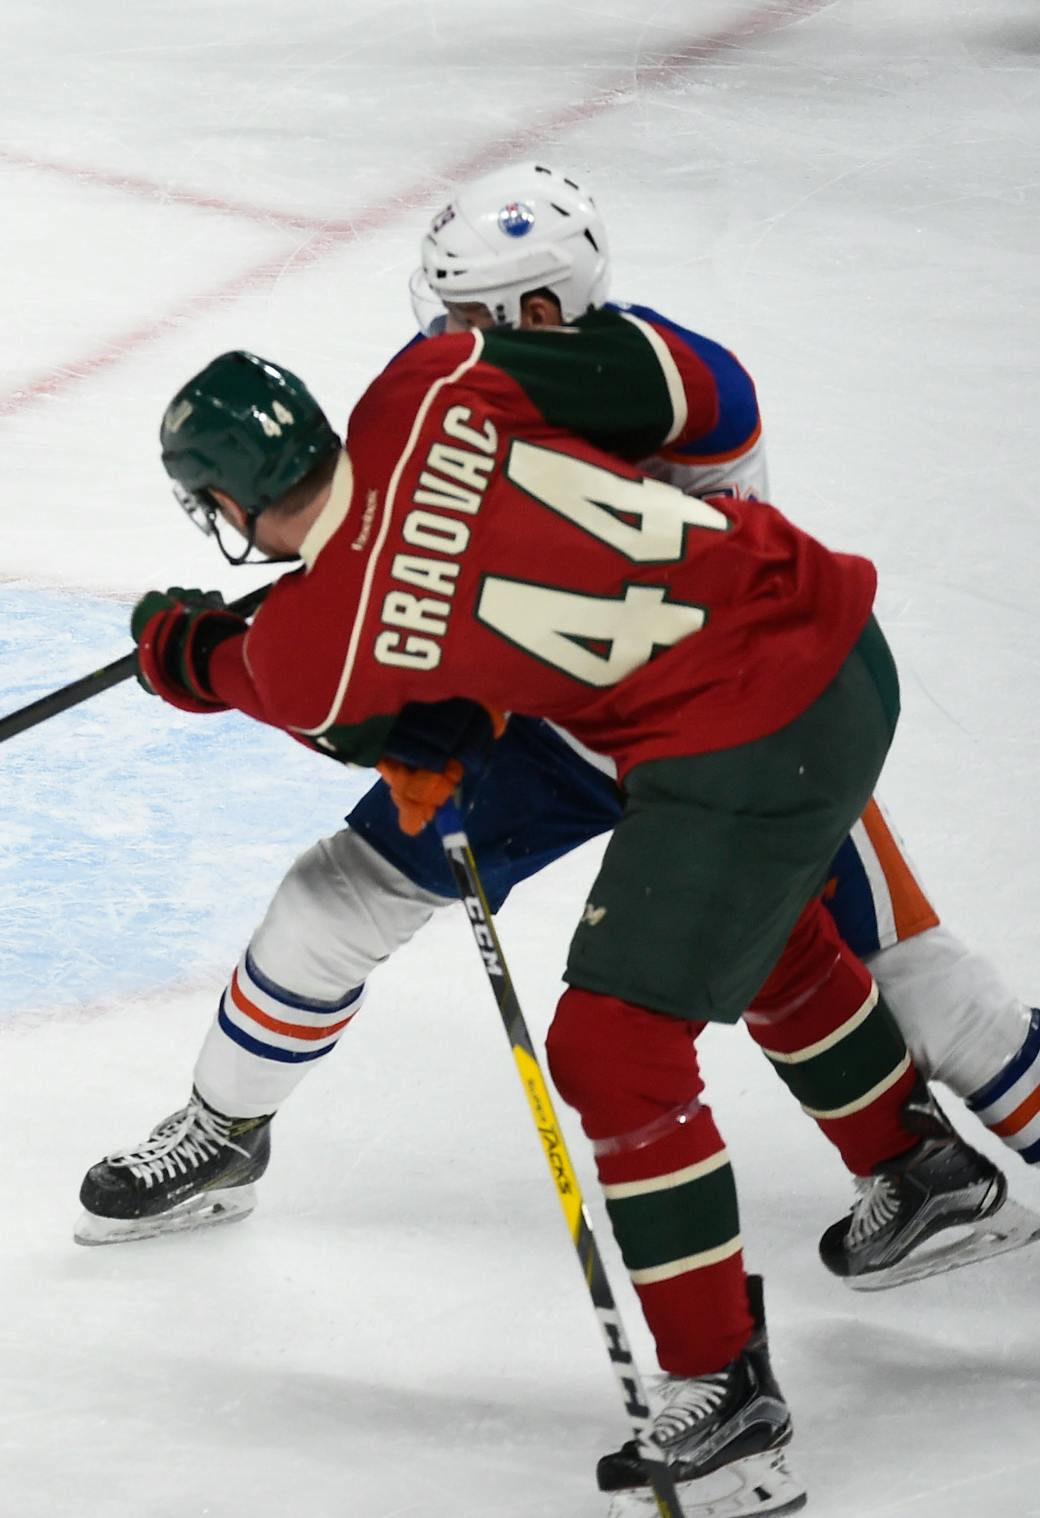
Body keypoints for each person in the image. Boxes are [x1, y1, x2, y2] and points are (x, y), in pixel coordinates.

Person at [79, 165, 1040, 1293]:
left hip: (714, 723)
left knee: (899, 965)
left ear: (542, 310)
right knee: (329, 901)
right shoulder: (507, 374)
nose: (440, 335)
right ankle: (225, 1131)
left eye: (464, 316)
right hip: (560, 730)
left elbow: (514, 604)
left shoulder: (672, 390)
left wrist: (299, 655)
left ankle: (924, 1168)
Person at [113, 334, 980, 1512]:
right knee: (741, 928)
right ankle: (919, 1165)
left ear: (223, 502)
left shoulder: (319, 649)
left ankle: (727, 1396)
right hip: (814, 631)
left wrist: (179, 642)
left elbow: (257, 669)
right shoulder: (437, 378)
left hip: (739, 731)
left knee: (614, 1047)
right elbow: (657, 402)